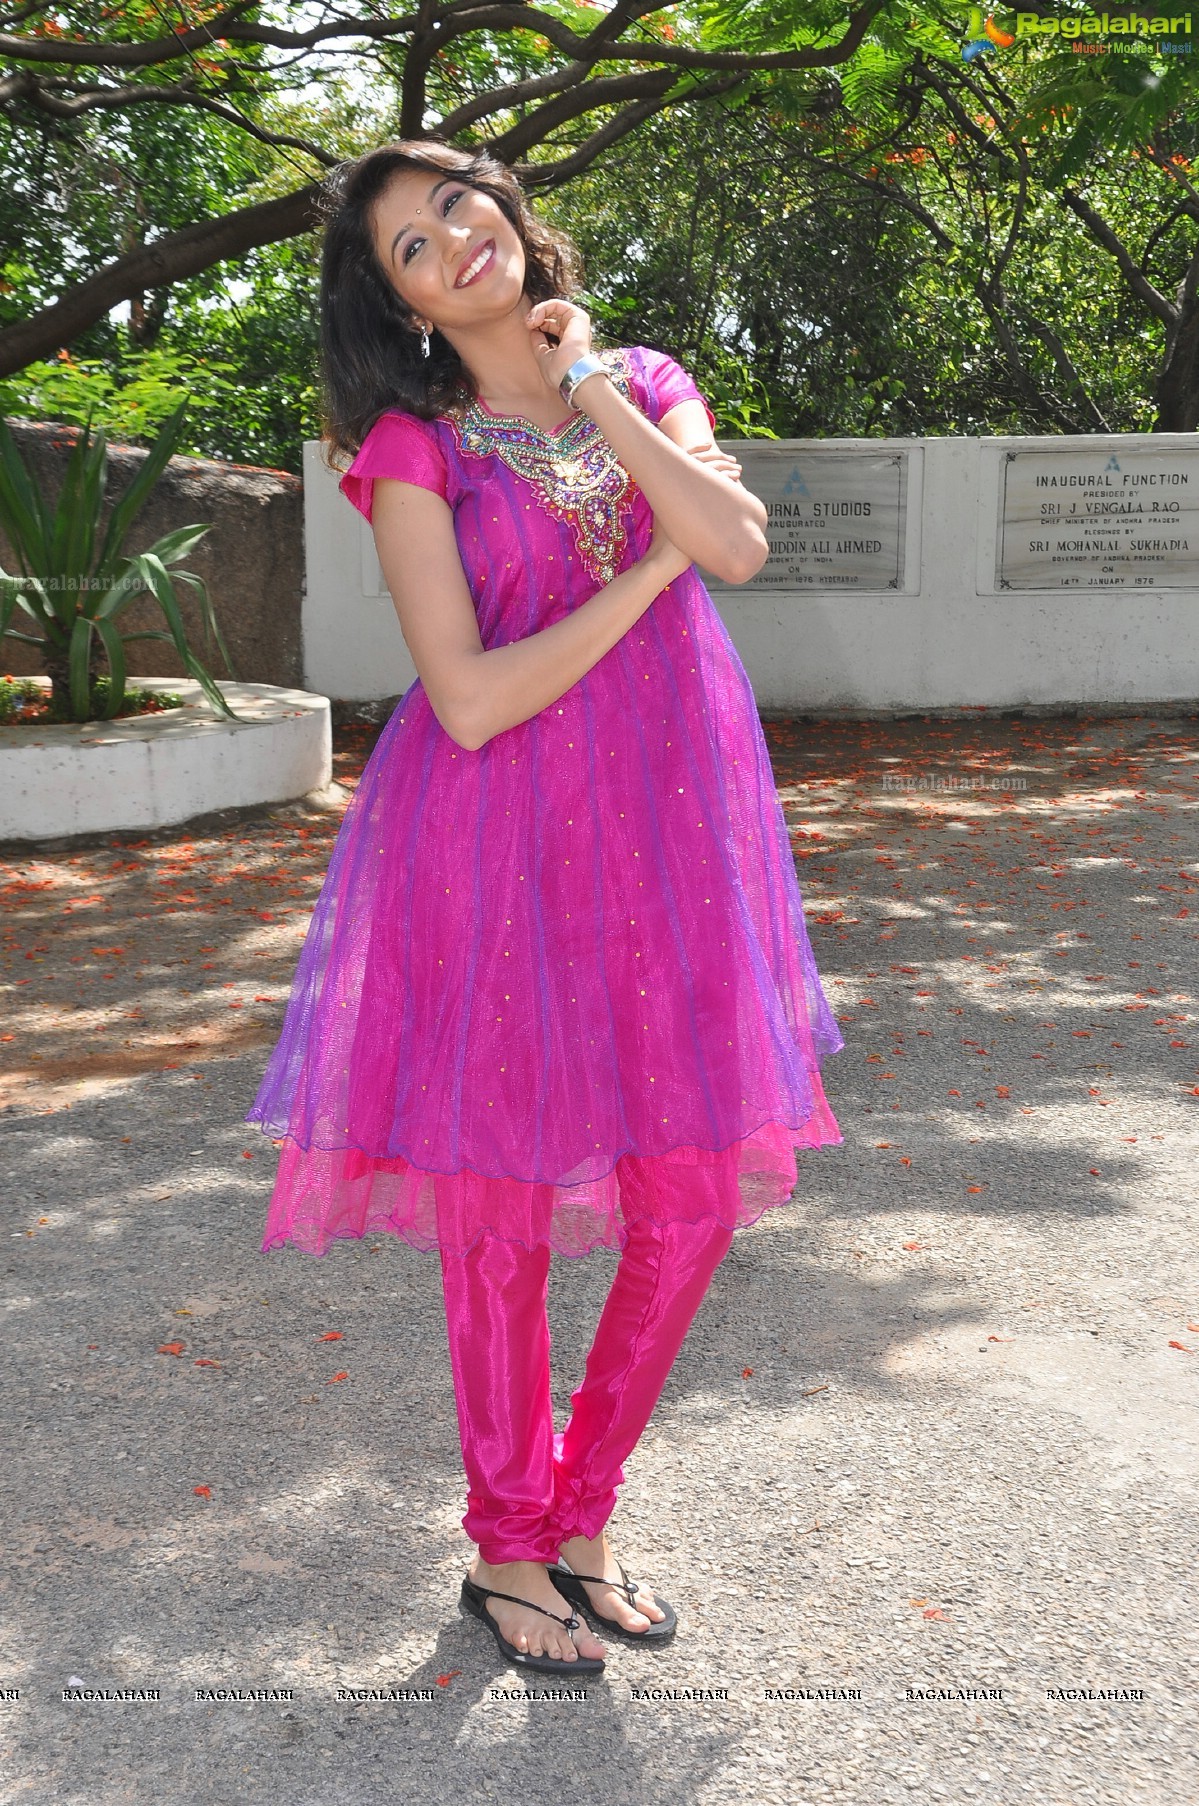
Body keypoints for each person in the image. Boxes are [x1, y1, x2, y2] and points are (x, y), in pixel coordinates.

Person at [246, 138, 844, 1677]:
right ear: (404, 307)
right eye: (410, 247)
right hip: (493, 845)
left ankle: (582, 1514)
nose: (451, 239)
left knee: (692, 1200)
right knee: (504, 1207)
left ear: (508, 212)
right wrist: (644, 584)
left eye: (457, 203)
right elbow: (465, 696)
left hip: (672, 836)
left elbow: (736, 542)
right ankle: (507, 1543)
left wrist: (589, 386)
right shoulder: (411, 448)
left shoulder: (642, 379)